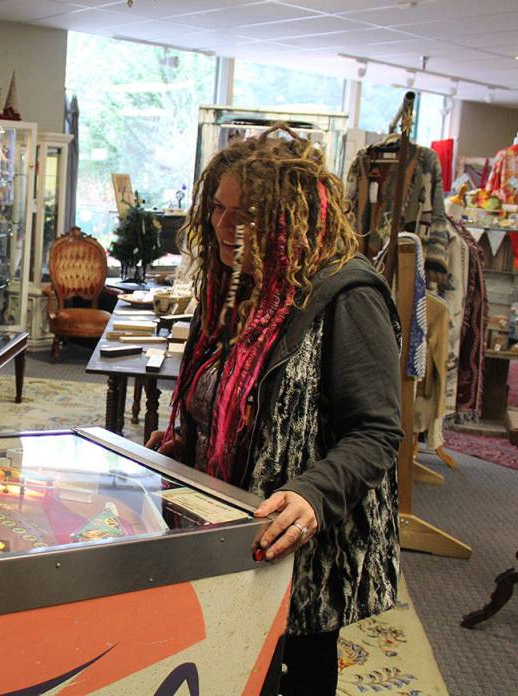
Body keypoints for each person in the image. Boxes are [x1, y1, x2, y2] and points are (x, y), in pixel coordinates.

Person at [147, 126, 403, 696]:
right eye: (218, 209)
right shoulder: (230, 288)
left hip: (303, 547)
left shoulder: (347, 294)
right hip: (230, 534)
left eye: (247, 216)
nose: (223, 227)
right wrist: (181, 445)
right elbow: (212, 394)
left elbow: (377, 432)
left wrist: (314, 493)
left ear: (293, 216)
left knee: (295, 675)